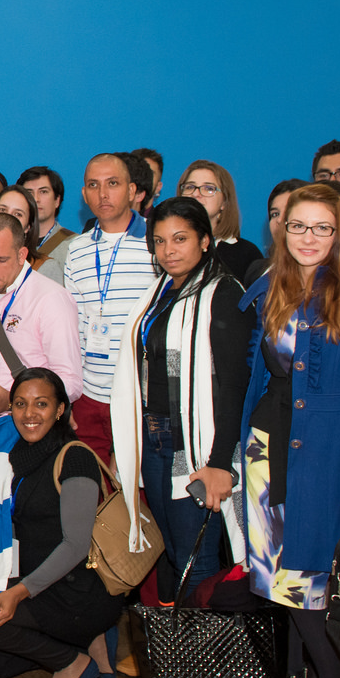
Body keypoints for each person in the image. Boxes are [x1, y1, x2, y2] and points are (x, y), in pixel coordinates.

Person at [232, 183, 340, 678]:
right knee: (280, 584)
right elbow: (255, 376)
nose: (309, 238)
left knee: (308, 586)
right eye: (298, 226)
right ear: (282, 230)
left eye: (322, 227)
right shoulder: (269, 287)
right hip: (266, 452)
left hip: (326, 458)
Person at [0, 369, 123, 678]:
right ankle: (83, 643)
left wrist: (17, 593)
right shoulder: (18, 453)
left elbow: (76, 545)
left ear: (60, 409)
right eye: (20, 404)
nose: (29, 414)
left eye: (41, 404)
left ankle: (72, 663)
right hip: (38, 581)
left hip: (77, 591)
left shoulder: (75, 457)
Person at [111, 197, 254, 605]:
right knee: (174, 554)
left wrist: (220, 462)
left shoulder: (223, 293)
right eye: (159, 241)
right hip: (154, 442)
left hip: (193, 449)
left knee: (197, 559)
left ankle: (198, 644)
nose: (168, 250)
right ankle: (177, 643)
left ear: (205, 240)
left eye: (180, 239)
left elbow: (235, 387)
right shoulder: (159, 293)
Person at [60, 154, 157, 462]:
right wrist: (70, 396)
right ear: (84, 194)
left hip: (141, 396)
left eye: (112, 183)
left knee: (138, 488)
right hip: (88, 396)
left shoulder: (157, 243)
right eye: (93, 185)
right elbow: (73, 326)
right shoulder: (76, 249)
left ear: (132, 190)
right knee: (88, 484)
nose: (103, 194)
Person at [0, 213, 83, 425]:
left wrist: (13, 401)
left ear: (22, 255)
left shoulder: (51, 298)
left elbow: (70, 382)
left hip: (28, 425)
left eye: (1, 260)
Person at [175, 159, 261, 282]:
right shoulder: (166, 247)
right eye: (190, 187)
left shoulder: (246, 254)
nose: (196, 194)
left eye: (208, 188)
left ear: (224, 202)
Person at [18, 166, 76, 260]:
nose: (36, 199)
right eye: (29, 193)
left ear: (57, 200)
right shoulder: (10, 242)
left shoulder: (74, 244)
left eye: (43, 192)